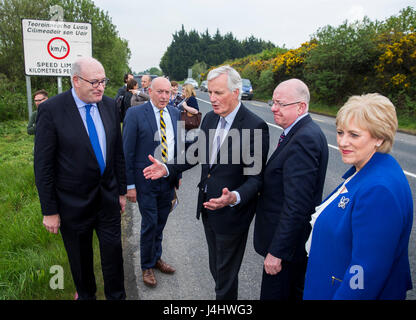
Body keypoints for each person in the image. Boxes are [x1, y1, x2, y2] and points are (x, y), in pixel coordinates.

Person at [143, 65, 270, 300]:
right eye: (210, 92)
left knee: (225, 277)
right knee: (217, 270)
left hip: (233, 215)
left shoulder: (255, 126)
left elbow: (256, 179)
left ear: (236, 92)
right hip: (208, 210)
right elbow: (195, 153)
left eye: (218, 93)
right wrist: (166, 168)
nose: (211, 98)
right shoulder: (211, 119)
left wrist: (234, 197)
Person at [303, 93, 413, 300]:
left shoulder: (378, 190)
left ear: (379, 137)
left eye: (354, 135)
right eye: (340, 132)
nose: (343, 142)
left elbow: (366, 271)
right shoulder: (367, 170)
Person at [34, 56, 127, 300]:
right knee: (81, 262)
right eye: (94, 82)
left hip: (107, 200)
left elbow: (117, 152)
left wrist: (120, 191)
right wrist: (49, 210)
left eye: (103, 81)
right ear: (75, 80)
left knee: (114, 257)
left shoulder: (109, 106)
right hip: (72, 206)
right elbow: (43, 166)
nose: (100, 87)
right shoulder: (51, 110)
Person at [253, 79, 329, 300]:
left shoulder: (304, 139)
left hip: (286, 252)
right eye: (273, 102)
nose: (273, 108)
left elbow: (297, 205)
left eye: (280, 104)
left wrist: (277, 252)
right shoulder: (298, 132)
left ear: (301, 107)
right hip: (287, 247)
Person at [122, 77, 181, 287]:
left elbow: (177, 147)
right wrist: (129, 185)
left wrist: (177, 175)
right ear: (150, 91)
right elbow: (127, 151)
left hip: (167, 179)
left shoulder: (175, 113)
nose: (165, 96)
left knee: (161, 222)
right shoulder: (135, 114)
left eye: (168, 92)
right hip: (145, 180)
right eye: (160, 92)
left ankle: (156, 258)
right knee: (150, 223)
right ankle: (146, 266)